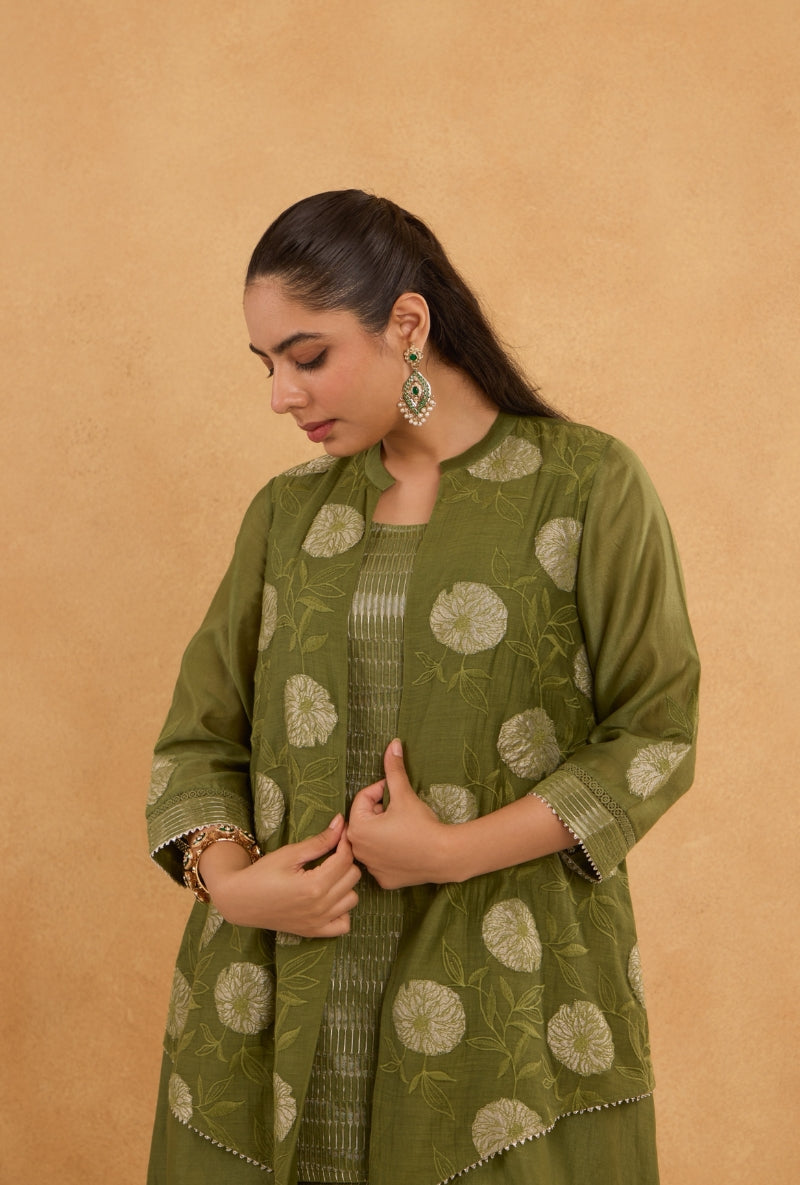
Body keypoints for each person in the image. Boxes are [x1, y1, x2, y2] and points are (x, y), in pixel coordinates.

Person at [146, 189, 699, 1185]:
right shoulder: (284, 515)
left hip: (501, 1012)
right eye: (267, 364)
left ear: (406, 323)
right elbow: (198, 737)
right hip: (275, 1003)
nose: (281, 395)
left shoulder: (587, 487)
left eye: (307, 356)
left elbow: (654, 736)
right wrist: (231, 883)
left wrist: (448, 852)